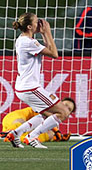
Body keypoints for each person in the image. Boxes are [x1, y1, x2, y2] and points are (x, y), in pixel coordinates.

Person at [6, 12, 73, 149]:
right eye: (37, 22)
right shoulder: (28, 42)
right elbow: (54, 54)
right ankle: (32, 136)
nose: (40, 23)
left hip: (24, 87)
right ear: (30, 27)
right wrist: (47, 32)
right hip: (30, 88)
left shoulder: (22, 39)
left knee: (46, 115)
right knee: (63, 112)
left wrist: (43, 34)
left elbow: (48, 49)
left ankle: (15, 133)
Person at [0, 98, 75, 144]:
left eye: (69, 109)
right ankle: (13, 133)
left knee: (49, 135)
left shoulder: (53, 122)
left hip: (12, 128)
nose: (65, 109)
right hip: (14, 119)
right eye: (64, 105)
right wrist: (56, 130)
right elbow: (43, 114)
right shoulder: (48, 108)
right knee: (22, 124)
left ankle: (11, 135)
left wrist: (55, 136)